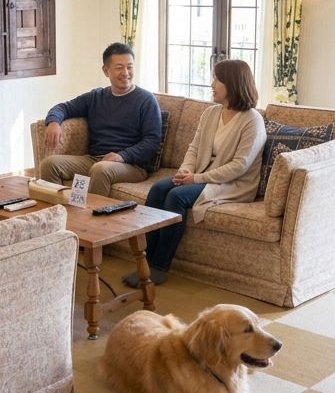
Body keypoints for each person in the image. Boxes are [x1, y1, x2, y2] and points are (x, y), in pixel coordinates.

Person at [123, 59, 266, 287]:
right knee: (158, 189)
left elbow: (239, 166)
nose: (212, 84)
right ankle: (145, 263)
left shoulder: (252, 120)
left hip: (233, 183)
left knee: (176, 197)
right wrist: (186, 170)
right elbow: (194, 148)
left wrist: (196, 178)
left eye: (217, 79)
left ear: (233, 83)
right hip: (200, 175)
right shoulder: (210, 113)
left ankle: (160, 266)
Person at [40, 42, 162, 196]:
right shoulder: (96, 97)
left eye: (130, 67)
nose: (125, 73)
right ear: (106, 70)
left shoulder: (146, 100)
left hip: (131, 165)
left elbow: (152, 141)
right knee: (49, 164)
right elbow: (63, 107)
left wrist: (122, 156)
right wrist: (54, 122)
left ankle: (92, 212)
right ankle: (58, 209)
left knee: (100, 169)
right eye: (119, 67)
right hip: (94, 160)